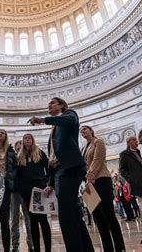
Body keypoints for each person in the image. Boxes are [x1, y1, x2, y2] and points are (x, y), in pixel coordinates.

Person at [28, 97, 94, 252]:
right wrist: (50, 182)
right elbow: (53, 157)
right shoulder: (55, 129)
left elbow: (68, 121)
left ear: (62, 105)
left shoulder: (70, 115)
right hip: (59, 172)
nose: (49, 106)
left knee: (65, 215)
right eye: (48, 105)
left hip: (70, 169)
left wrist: (43, 120)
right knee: (74, 214)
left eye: (52, 103)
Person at [80, 125, 125, 251]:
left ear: (91, 131)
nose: (83, 131)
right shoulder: (83, 148)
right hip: (89, 184)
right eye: (81, 130)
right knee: (98, 218)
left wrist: (90, 176)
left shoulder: (98, 142)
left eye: (85, 129)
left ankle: (120, 246)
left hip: (101, 180)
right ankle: (107, 247)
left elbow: (97, 160)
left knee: (109, 215)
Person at [17, 133, 52, 252]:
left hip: (38, 189)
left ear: (32, 140)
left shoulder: (40, 153)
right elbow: (18, 175)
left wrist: (47, 183)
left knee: (42, 219)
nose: (27, 140)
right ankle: (36, 249)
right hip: (26, 191)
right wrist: (21, 189)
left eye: (29, 138)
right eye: (25, 138)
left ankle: (48, 249)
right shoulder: (20, 155)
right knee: (32, 220)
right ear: (23, 141)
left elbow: (49, 169)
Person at [11, 140, 34, 252]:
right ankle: (15, 246)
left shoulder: (28, 157)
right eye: (17, 145)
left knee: (28, 218)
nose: (18, 146)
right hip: (14, 192)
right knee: (14, 219)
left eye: (20, 144)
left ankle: (31, 244)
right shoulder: (12, 158)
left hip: (26, 191)